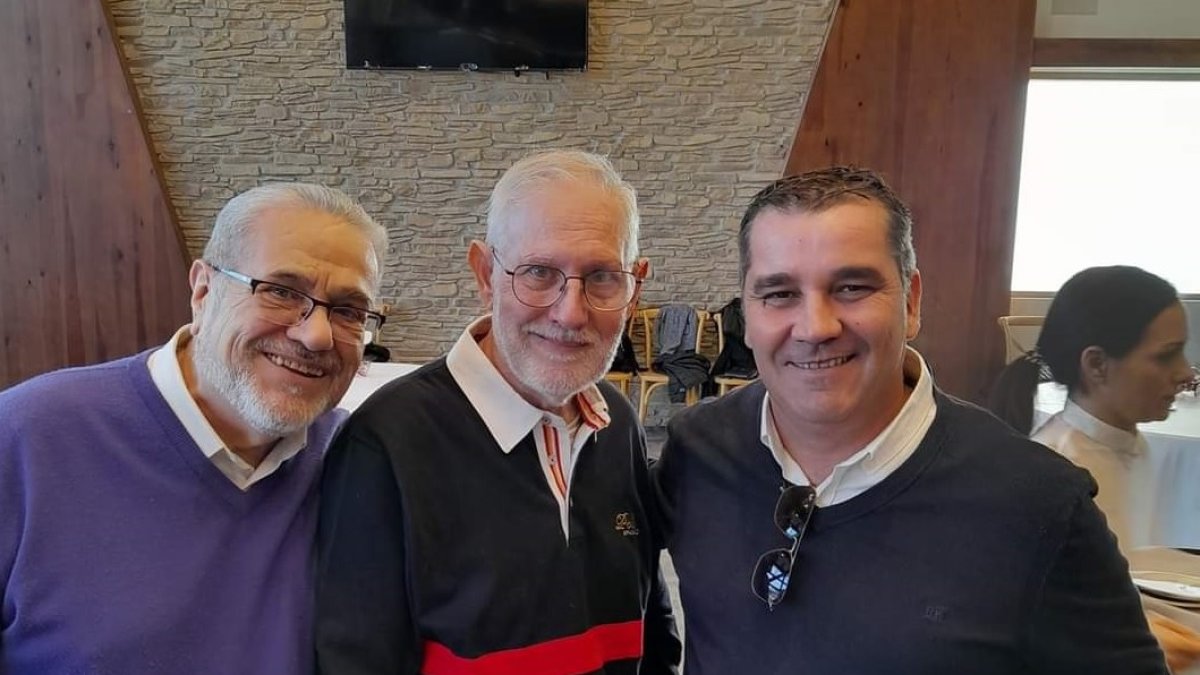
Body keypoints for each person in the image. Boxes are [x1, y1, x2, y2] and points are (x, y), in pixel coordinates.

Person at [652, 167, 1168, 673]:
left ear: (912, 300)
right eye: (780, 294)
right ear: (747, 310)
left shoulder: (1037, 506)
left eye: (852, 287)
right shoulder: (697, 451)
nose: (815, 327)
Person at [315, 150, 681, 674]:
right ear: (486, 273)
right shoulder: (387, 442)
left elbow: (650, 620)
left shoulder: (616, 423)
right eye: (538, 272)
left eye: (602, 276)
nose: (570, 312)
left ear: (636, 284)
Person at [0, 183, 388, 675]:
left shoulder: (355, 462)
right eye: (281, 292)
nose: (315, 334)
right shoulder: (26, 440)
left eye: (349, 311)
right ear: (203, 290)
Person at [990, 265, 1199, 672]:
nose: (1186, 373)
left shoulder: (1134, 446)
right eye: (1165, 356)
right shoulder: (1057, 473)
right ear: (1097, 365)